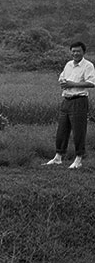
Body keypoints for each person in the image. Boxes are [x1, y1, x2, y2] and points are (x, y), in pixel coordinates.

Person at [45, 41, 95, 169]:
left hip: (79, 100)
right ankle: (58, 157)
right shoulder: (68, 65)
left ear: (83, 52)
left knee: (78, 130)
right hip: (66, 100)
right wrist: (63, 82)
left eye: (78, 51)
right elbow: (62, 78)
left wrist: (72, 84)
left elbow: (91, 83)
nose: (75, 53)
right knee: (62, 129)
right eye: (73, 51)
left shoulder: (88, 66)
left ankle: (78, 159)